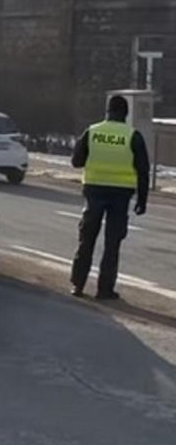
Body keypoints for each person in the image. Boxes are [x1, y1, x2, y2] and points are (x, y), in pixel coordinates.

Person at [69, 94, 150, 300]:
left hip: (94, 191)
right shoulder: (133, 136)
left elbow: (76, 161)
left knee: (86, 239)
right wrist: (142, 200)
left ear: (107, 111)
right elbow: (143, 171)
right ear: (126, 114)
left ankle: (78, 284)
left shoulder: (92, 132)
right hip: (121, 195)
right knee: (112, 244)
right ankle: (104, 290)